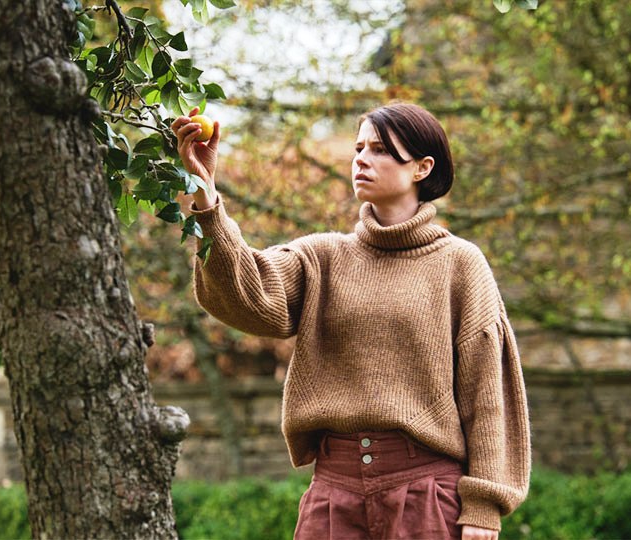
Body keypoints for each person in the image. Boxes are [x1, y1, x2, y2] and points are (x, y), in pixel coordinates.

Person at [171, 103, 530, 540]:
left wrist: (484, 507)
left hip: (428, 498)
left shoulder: (460, 265)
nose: (360, 157)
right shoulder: (322, 257)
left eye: (379, 149)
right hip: (333, 497)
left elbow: (489, 394)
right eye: (358, 147)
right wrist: (206, 199)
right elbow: (245, 294)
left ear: (422, 167)